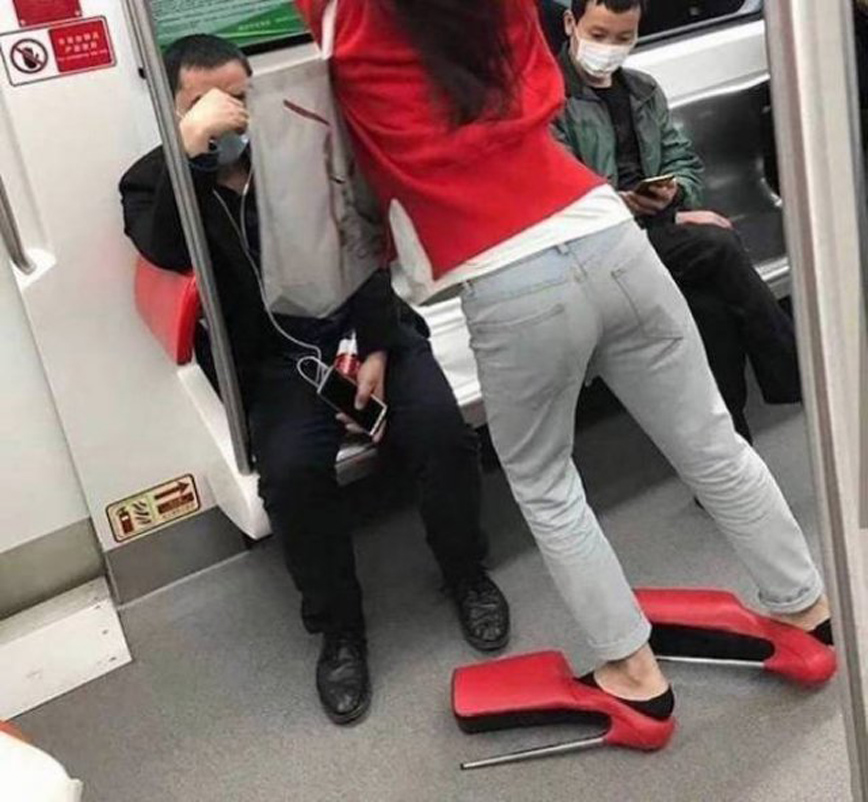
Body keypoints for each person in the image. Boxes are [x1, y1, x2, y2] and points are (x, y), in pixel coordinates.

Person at [294, 0, 832, 727]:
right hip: (609, 235)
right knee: (713, 443)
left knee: (546, 483)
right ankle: (806, 608)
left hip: (508, 277)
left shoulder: (343, 16)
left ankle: (632, 672)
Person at [119, 35, 509, 726]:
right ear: (174, 110)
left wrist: (376, 347)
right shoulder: (151, 181)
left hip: (363, 330)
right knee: (294, 478)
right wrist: (190, 154)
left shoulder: (300, 147)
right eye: (204, 101)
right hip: (277, 364)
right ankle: (339, 629)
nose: (227, 111)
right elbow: (167, 251)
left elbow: (363, 246)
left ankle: (465, 572)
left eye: (239, 96)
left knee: (441, 434)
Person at [553, 0, 802, 443]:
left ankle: (730, 445)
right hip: (596, 247)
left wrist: (676, 194)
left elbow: (682, 161)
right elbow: (565, 195)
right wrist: (640, 208)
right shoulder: (550, 102)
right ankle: (793, 370)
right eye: (599, 35)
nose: (609, 49)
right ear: (571, 23)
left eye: (623, 38)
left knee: (710, 310)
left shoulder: (642, 90)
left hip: (656, 233)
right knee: (718, 244)